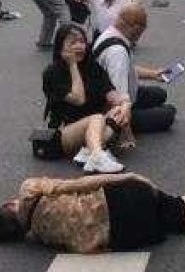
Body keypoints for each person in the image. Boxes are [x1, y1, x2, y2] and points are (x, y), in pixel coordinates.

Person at [0, 173, 185, 253]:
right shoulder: (29, 190)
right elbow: (79, 184)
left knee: (166, 208)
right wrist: (125, 176)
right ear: (8, 206)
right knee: (170, 206)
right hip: (114, 205)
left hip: (124, 237)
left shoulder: (40, 237)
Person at [42, 25, 128, 173]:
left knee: (119, 108)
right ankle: (97, 156)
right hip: (64, 133)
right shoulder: (52, 73)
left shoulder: (92, 67)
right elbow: (78, 99)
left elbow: (111, 94)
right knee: (96, 118)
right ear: (61, 48)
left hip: (95, 127)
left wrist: (124, 104)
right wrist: (73, 65)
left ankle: (89, 151)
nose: (79, 46)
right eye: (73, 43)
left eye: (81, 42)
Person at [92, 2, 177, 147]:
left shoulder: (110, 34)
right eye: (142, 30)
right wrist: (126, 134)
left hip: (126, 95)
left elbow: (128, 68)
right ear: (136, 28)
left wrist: (153, 74)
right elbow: (118, 97)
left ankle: (141, 111)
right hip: (110, 108)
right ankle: (133, 119)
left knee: (159, 94)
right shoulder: (117, 52)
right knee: (169, 113)